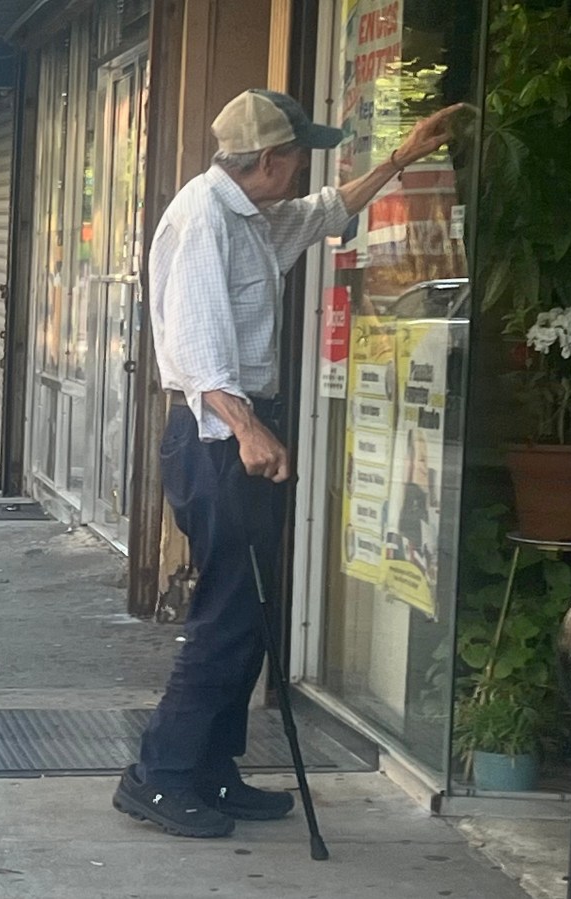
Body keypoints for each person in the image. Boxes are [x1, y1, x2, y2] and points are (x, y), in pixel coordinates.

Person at [112, 89, 460, 838]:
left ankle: (211, 767)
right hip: (215, 436)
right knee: (228, 611)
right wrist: (248, 429)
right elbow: (196, 348)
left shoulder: (251, 214)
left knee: (251, 610)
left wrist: (404, 157)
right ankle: (160, 775)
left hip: (233, 433)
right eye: (299, 156)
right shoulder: (205, 220)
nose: (305, 168)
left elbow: (323, 212)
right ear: (270, 158)